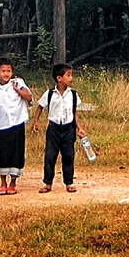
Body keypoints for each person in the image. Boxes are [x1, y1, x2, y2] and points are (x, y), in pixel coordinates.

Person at [36, 63, 86, 193]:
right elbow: (40, 106)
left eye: (71, 75)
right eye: (68, 75)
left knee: (68, 156)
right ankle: (48, 183)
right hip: (53, 129)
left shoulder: (73, 95)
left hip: (69, 129)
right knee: (50, 156)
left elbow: (74, 113)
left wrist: (80, 128)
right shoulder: (50, 94)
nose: (71, 78)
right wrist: (36, 121)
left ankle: (69, 182)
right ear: (59, 78)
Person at [0, 56, 33, 194]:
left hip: (17, 123)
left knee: (16, 153)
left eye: (8, 71)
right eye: (3, 71)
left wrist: (18, 90)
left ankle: (13, 183)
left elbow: (29, 97)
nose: (6, 73)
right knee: (3, 154)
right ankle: (3, 182)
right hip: (2, 126)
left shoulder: (17, 83)